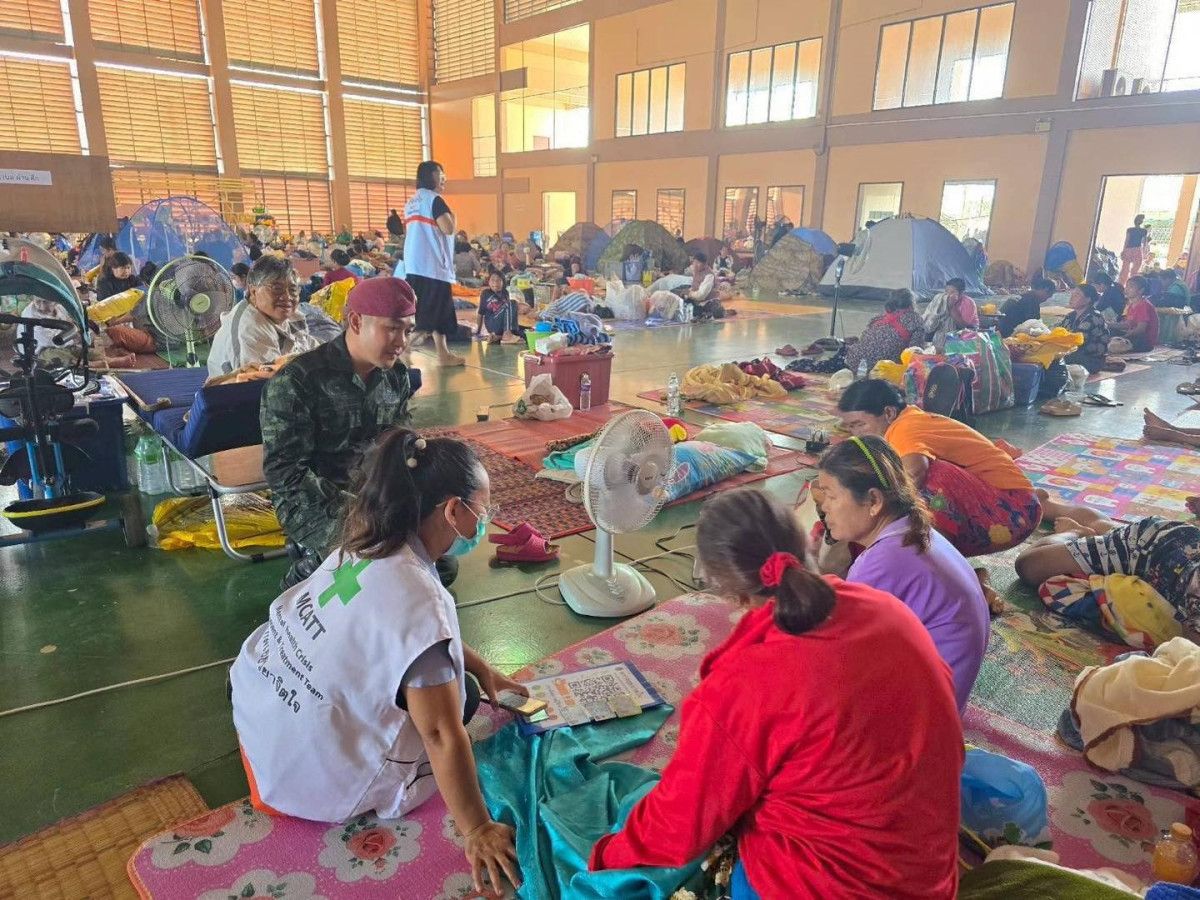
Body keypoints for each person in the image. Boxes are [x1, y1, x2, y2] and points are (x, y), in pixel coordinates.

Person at [589, 489, 962, 899]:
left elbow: (678, 828)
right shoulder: (888, 610)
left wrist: (604, 858)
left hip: (832, 888)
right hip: (929, 878)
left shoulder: (743, 686)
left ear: (729, 592)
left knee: (649, 815)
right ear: (803, 541)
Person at [231, 429, 524, 898]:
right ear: (453, 511)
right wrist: (477, 828)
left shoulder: (365, 543)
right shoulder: (420, 599)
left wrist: (480, 665)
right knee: (459, 706)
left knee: (455, 683)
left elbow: (405, 637)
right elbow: (439, 733)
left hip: (260, 712)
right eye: (482, 511)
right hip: (306, 775)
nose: (485, 522)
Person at [260, 277, 454, 588]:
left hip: (374, 495)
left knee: (439, 564)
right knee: (379, 555)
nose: (402, 341)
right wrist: (359, 510)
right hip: (312, 501)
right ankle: (306, 574)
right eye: (392, 328)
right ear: (355, 321)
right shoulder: (298, 381)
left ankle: (338, 560)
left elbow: (400, 446)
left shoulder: (396, 377)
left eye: (407, 330)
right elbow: (285, 474)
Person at [816, 437, 989, 712]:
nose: (824, 507)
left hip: (927, 714)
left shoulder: (881, 562)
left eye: (831, 496)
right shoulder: (915, 532)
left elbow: (839, 652)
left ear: (874, 501)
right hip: (947, 699)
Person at [837, 379, 1041, 557]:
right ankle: (945, 563)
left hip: (1015, 512)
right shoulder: (905, 421)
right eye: (850, 427)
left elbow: (913, 473)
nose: (855, 434)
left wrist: (873, 509)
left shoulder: (905, 427)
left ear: (888, 413)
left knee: (929, 478)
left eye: (859, 425)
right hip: (1011, 506)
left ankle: (938, 562)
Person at [1015, 492, 1200, 634]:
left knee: (1107, 528)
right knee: (1029, 566)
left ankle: (1047, 505)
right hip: (1142, 549)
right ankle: (1073, 532)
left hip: (1171, 540)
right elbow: (1185, 653)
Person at [208, 256, 321, 377]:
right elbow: (271, 382)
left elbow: (313, 348)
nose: (287, 297)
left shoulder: (290, 315)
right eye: (277, 289)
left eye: (293, 290)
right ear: (253, 292)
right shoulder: (250, 329)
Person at [403, 160, 465, 366]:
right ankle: (404, 348)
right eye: (441, 175)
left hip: (414, 265)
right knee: (428, 317)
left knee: (441, 313)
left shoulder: (411, 202)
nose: (444, 179)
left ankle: (443, 354)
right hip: (432, 266)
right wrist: (453, 217)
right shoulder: (435, 200)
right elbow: (448, 228)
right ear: (431, 177)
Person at [845, 289, 926, 373]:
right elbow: (915, 352)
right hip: (879, 368)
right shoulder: (915, 319)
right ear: (911, 304)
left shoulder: (879, 317)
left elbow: (865, 338)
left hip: (854, 360)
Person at [1059, 283, 1109, 373]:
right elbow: (1058, 332)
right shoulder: (1071, 316)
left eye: (1077, 295)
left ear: (1088, 299)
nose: (1072, 298)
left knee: (1055, 357)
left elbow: (1077, 341)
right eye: (1072, 294)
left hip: (1091, 360)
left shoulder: (1094, 317)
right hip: (1074, 353)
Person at [925, 277, 979, 349]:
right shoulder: (943, 300)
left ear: (961, 293)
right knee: (929, 331)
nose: (948, 295)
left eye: (952, 292)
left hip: (968, 330)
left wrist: (951, 307)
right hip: (949, 328)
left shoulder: (968, 303)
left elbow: (962, 325)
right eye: (947, 291)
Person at [1110, 274, 1159, 352]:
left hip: (1145, 341)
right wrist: (1110, 325)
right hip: (1133, 336)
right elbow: (1128, 324)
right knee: (1110, 331)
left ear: (1141, 291)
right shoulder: (1131, 305)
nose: (1126, 289)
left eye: (1131, 287)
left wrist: (1125, 335)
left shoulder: (1144, 305)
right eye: (1126, 286)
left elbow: (1141, 329)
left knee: (1116, 340)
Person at [475, 270, 522, 345]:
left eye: (498, 280)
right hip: (492, 323)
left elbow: (508, 312)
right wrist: (478, 332)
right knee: (512, 303)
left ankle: (497, 337)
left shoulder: (505, 293)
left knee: (522, 331)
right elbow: (480, 313)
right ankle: (507, 334)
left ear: (503, 282)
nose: (495, 283)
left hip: (502, 325)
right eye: (492, 280)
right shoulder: (485, 293)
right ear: (489, 282)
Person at [1119, 214, 1149, 285]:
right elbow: (1144, 243)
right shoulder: (1144, 231)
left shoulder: (1130, 230)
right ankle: (1132, 284)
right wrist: (1144, 253)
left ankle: (1122, 284)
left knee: (1125, 270)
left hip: (1129, 249)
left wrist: (1124, 250)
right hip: (1137, 250)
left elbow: (1127, 241)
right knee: (1134, 271)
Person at [684, 252, 717, 316]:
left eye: (698, 263)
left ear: (705, 264)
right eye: (694, 262)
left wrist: (689, 293)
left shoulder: (709, 275)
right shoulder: (696, 270)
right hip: (696, 300)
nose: (695, 265)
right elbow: (687, 271)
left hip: (706, 304)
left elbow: (701, 295)